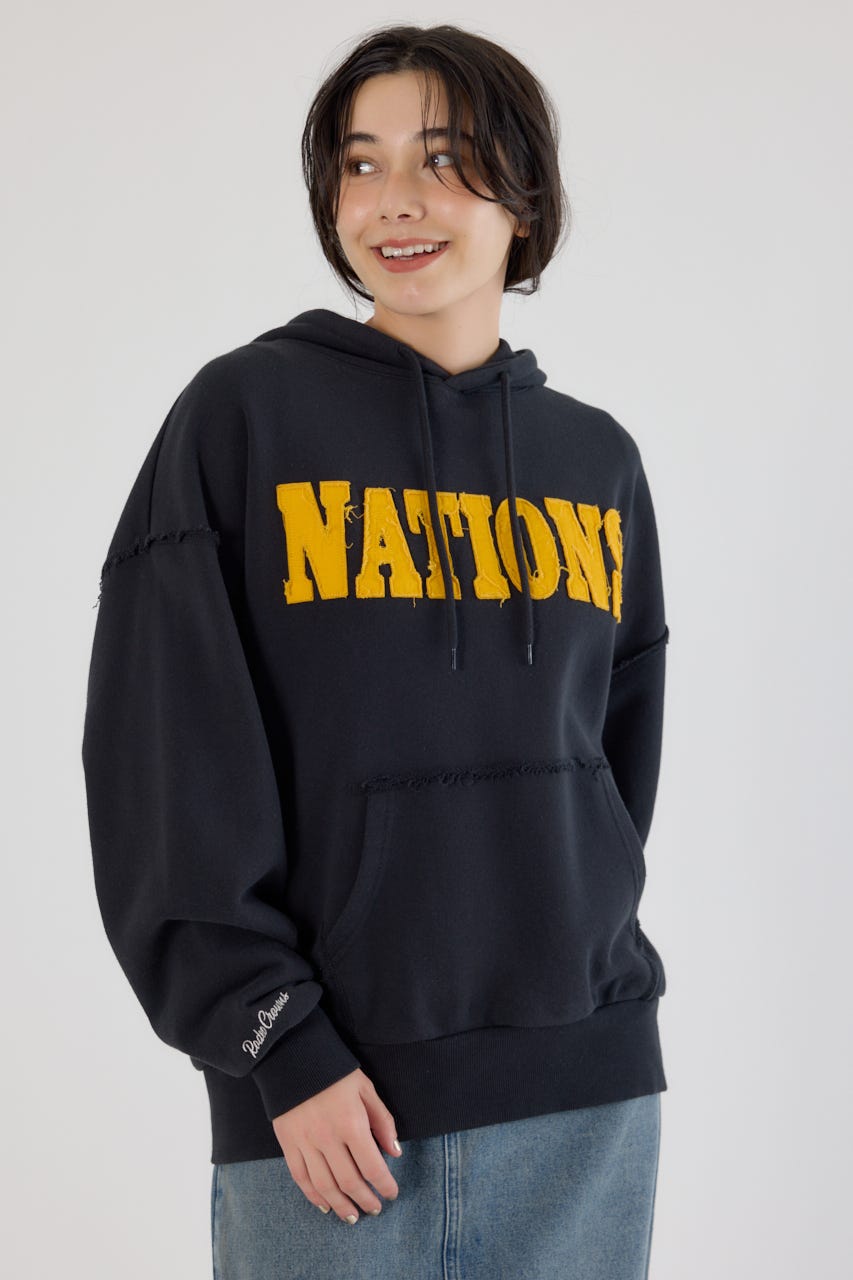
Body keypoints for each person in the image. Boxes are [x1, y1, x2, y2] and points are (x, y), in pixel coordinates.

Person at [81, 22, 671, 1280]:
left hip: (586, 1093)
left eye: (443, 158)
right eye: (361, 164)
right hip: (328, 1112)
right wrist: (274, 1039)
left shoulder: (596, 461)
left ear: (524, 194)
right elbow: (164, 760)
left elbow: (615, 769)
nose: (394, 199)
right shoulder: (242, 420)